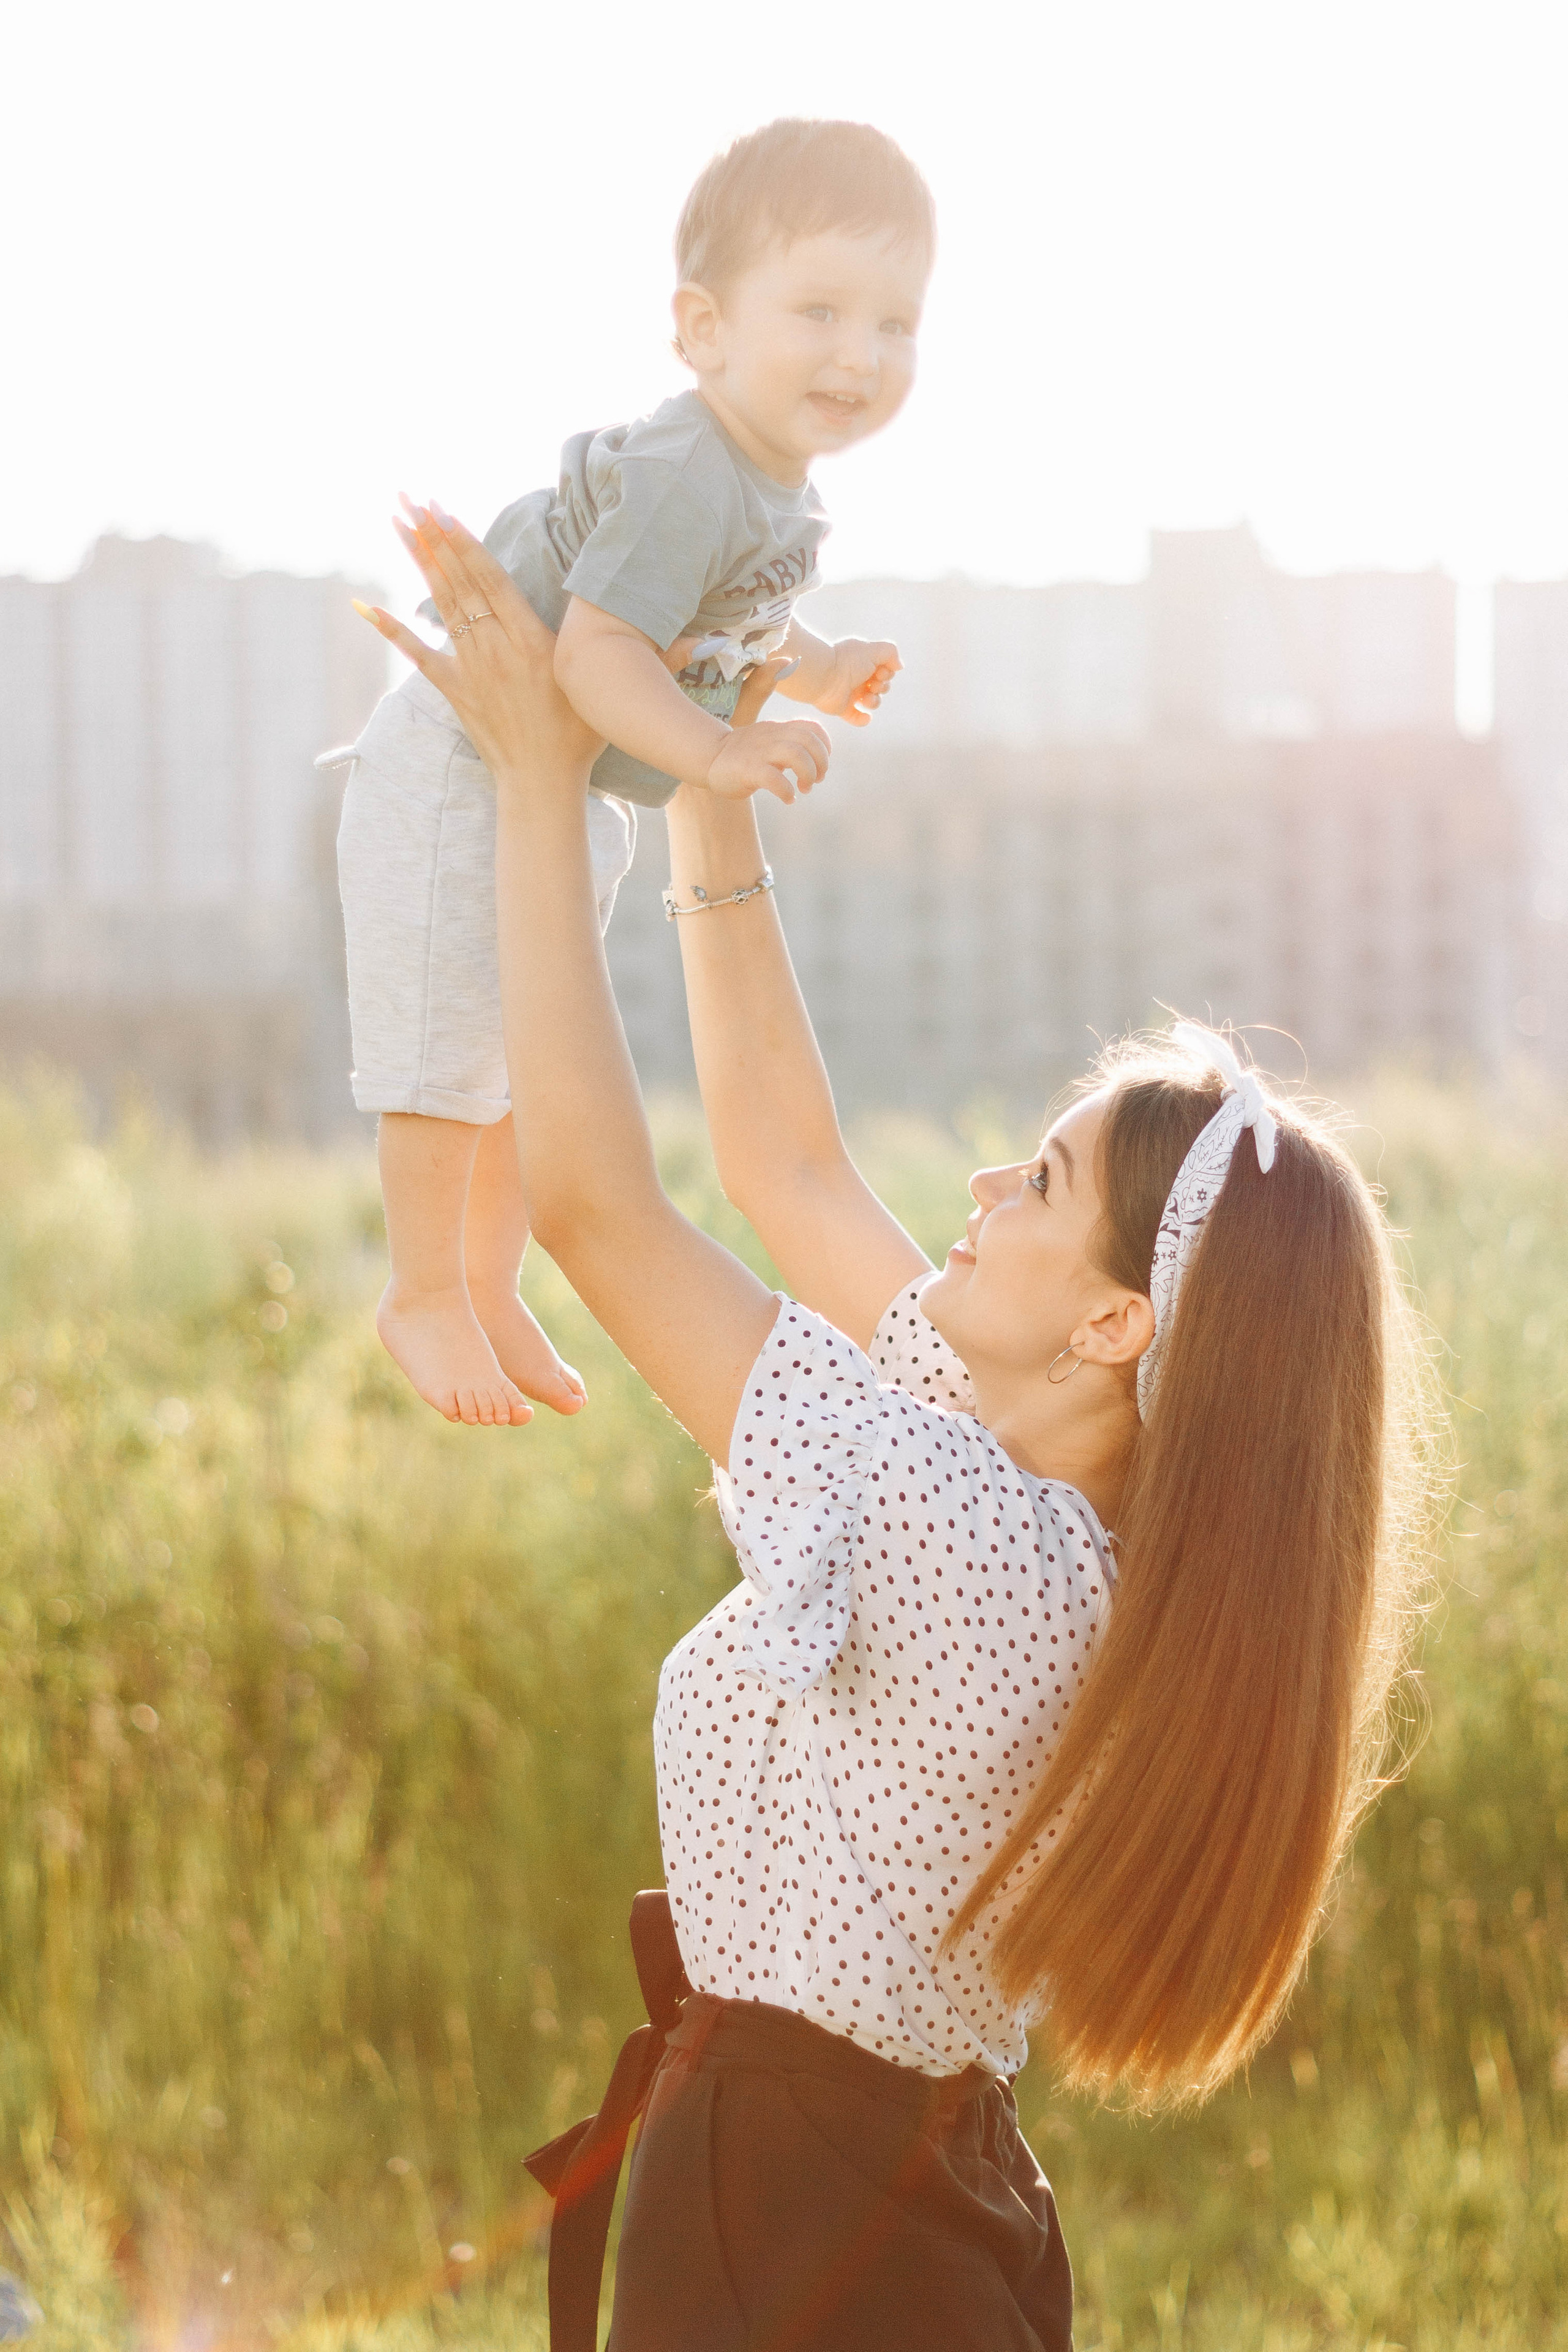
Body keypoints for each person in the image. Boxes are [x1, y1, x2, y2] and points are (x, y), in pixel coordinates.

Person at [352, 515, 1434, 2351]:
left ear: (1115, 1325)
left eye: (1043, 1177)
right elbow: (783, 1162)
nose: (985, 1185)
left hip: (798, 2235)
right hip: (858, 2197)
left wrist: (544, 791)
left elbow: (606, 1213)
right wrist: (706, 769)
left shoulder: (968, 1539)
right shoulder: (1020, 1490)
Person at [331, 118, 932, 1431]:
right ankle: (423, 1285)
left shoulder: (773, 490)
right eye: (819, 309)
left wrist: (817, 669)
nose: (860, 352)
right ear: (702, 331)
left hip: (565, 783)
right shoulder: (684, 471)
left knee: (512, 1049)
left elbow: (731, 626)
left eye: (894, 322)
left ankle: (486, 1283)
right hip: (457, 765)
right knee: (445, 1044)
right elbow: (601, 655)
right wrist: (718, 750)